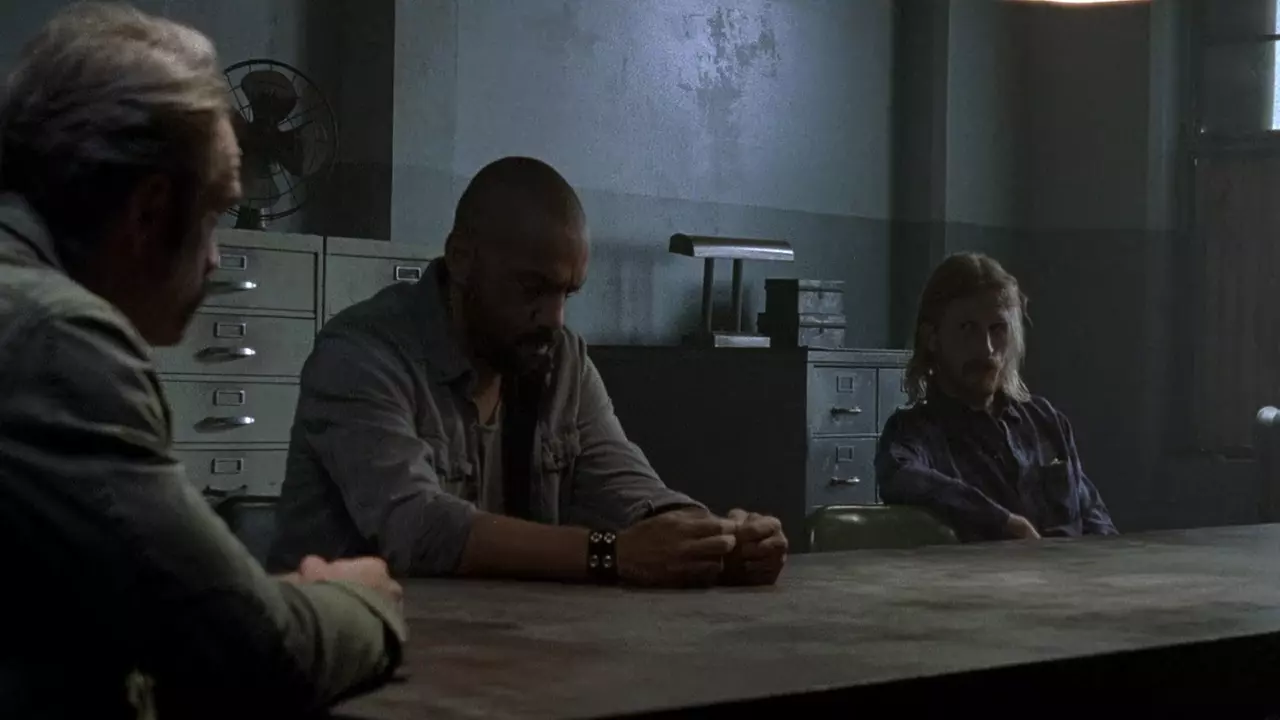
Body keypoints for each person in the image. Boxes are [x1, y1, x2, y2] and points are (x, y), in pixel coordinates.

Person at [0, 4, 405, 718]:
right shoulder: (57, 341)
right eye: (214, 213)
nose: (217, 258)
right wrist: (358, 599)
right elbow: (255, 651)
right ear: (149, 214)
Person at [269, 156, 787, 587]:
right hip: (345, 655)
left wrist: (720, 538)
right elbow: (417, 528)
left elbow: (629, 489)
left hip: (495, 648)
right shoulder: (360, 355)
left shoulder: (560, 360)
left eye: (567, 293)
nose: (554, 318)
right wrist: (611, 553)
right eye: (533, 288)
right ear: (461, 257)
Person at [875, 252, 1118, 542]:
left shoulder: (1044, 421)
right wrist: (1003, 523)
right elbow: (901, 476)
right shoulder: (916, 433)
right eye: (967, 328)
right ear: (932, 338)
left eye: (998, 329)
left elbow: (1093, 515)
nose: (986, 349)